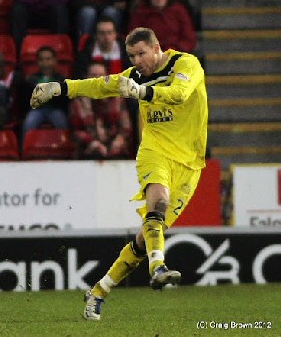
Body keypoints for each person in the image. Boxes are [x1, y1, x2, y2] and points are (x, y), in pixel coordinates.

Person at [30, 27, 208, 320]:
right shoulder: (134, 76)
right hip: (155, 150)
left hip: (190, 163)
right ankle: (158, 268)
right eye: (131, 56)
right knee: (158, 203)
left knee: (145, 236)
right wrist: (59, 88)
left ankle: (99, 290)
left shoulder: (185, 64)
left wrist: (141, 92)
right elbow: (100, 85)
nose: (137, 61)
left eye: (141, 54)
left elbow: (179, 94)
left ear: (156, 48)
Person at [69, 61, 132, 159]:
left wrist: (119, 140)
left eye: (101, 75)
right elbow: (75, 131)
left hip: (115, 151)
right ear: (86, 78)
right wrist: (93, 143)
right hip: (88, 151)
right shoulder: (78, 102)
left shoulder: (117, 99)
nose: (98, 79)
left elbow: (125, 128)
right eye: (93, 75)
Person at [127, 0, 197, 53]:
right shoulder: (140, 12)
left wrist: (177, 51)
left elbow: (188, 36)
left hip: (176, 54)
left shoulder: (179, 10)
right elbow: (135, 36)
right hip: (150, 56)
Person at [22, 46, 68, 143]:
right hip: (37, 110)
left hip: (55, 110)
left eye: (48, 59)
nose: (45, 63)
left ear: (55, 61)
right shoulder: (31, 79)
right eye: (42, 60)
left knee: (63, 124)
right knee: (28, 124)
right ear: (37, 62)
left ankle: (66, 152)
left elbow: (64, 100)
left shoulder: (62, 79)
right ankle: (24, 153)